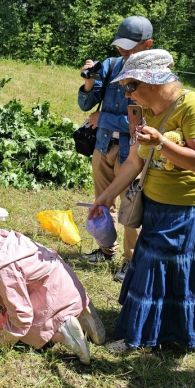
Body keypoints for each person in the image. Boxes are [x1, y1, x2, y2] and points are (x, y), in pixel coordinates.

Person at [88, 49, 195, 351]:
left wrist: (162, 143)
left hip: (189, 208)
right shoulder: (145, 111)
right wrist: (104, 198)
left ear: (150, 82)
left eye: (130, 87)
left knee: (170, 268)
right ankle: (158, 331)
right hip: (155, 203)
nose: (127, 95)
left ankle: (149, 336)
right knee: (154, 264)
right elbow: (134, 163)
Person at [0, 209, 106, 364]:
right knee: (6, 318)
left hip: (51, 294)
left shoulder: (3, 269)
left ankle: (64, 331)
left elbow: (21, 315)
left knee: (2, 325)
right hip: (66, 286)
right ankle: (81, 311)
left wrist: (0, 341)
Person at [77, 15, 154, 281]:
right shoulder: (110, 65)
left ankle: (130, 260)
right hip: (102, 145)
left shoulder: (153, 76)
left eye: (129, 46)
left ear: (148, 44)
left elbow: (144, 120)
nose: (123, 51)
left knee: (130, 208)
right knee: (102, 199)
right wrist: (89, 81)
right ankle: (104, 248)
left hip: (131, 151)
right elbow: (86, 106)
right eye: (120, 45)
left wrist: (105, 119)